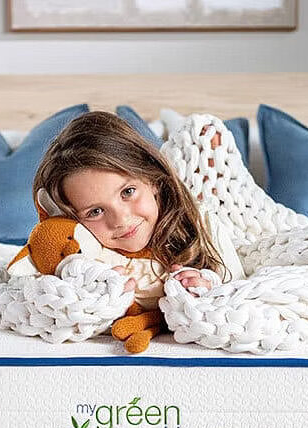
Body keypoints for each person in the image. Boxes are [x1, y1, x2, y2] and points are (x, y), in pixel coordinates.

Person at [32, 111, 244, 302]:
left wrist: (207, 284)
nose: (121, 220)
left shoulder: (201, 222)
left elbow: (237, 286)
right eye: (95, 211)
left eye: (128, 192)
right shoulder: (83, 254)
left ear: (151, 179)